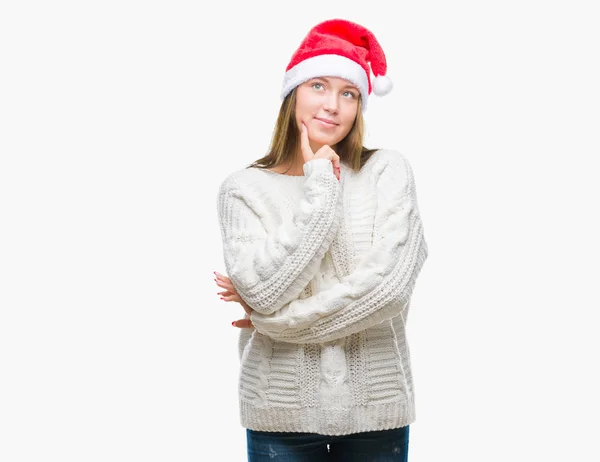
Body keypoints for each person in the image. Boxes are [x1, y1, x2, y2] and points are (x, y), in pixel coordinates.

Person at [215, 18, 428, 462]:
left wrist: (273, 323)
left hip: (377, 411)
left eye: (348, 93)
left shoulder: (387, 171)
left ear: (359, 106)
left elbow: (387, 291)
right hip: (280, 413)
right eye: (317, 85)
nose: (332, 105)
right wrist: (320, 186)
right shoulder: (243, 188)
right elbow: (261, 289)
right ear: (293, 93)